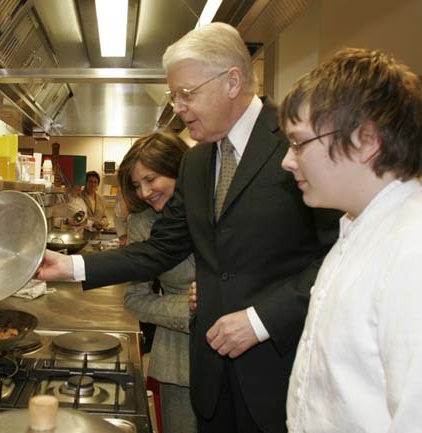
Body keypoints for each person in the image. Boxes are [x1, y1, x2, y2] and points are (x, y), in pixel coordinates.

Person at [36, 22, 340, 433]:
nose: (178, 107)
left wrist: (261, 319)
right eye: (173, 96)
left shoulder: (295, 142)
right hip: (210, 375)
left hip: (278, 373)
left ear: (232, 81)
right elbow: (161, 248)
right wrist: (71, 267)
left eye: (187, 93)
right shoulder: (197, 162)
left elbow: (336, 256)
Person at [278, 48, 422, 432]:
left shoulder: (412, 252)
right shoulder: (356, 232)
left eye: (299, 143)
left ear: (365, 140)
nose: (288, 161)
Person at [119, 132, 196, 433]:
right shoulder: (142, 223)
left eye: (150, 179)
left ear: (177, 168)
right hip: (180, 362)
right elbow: (134, 299)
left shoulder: (218, 207)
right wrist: (191, 310)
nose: (144, 192)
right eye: (137, 185)